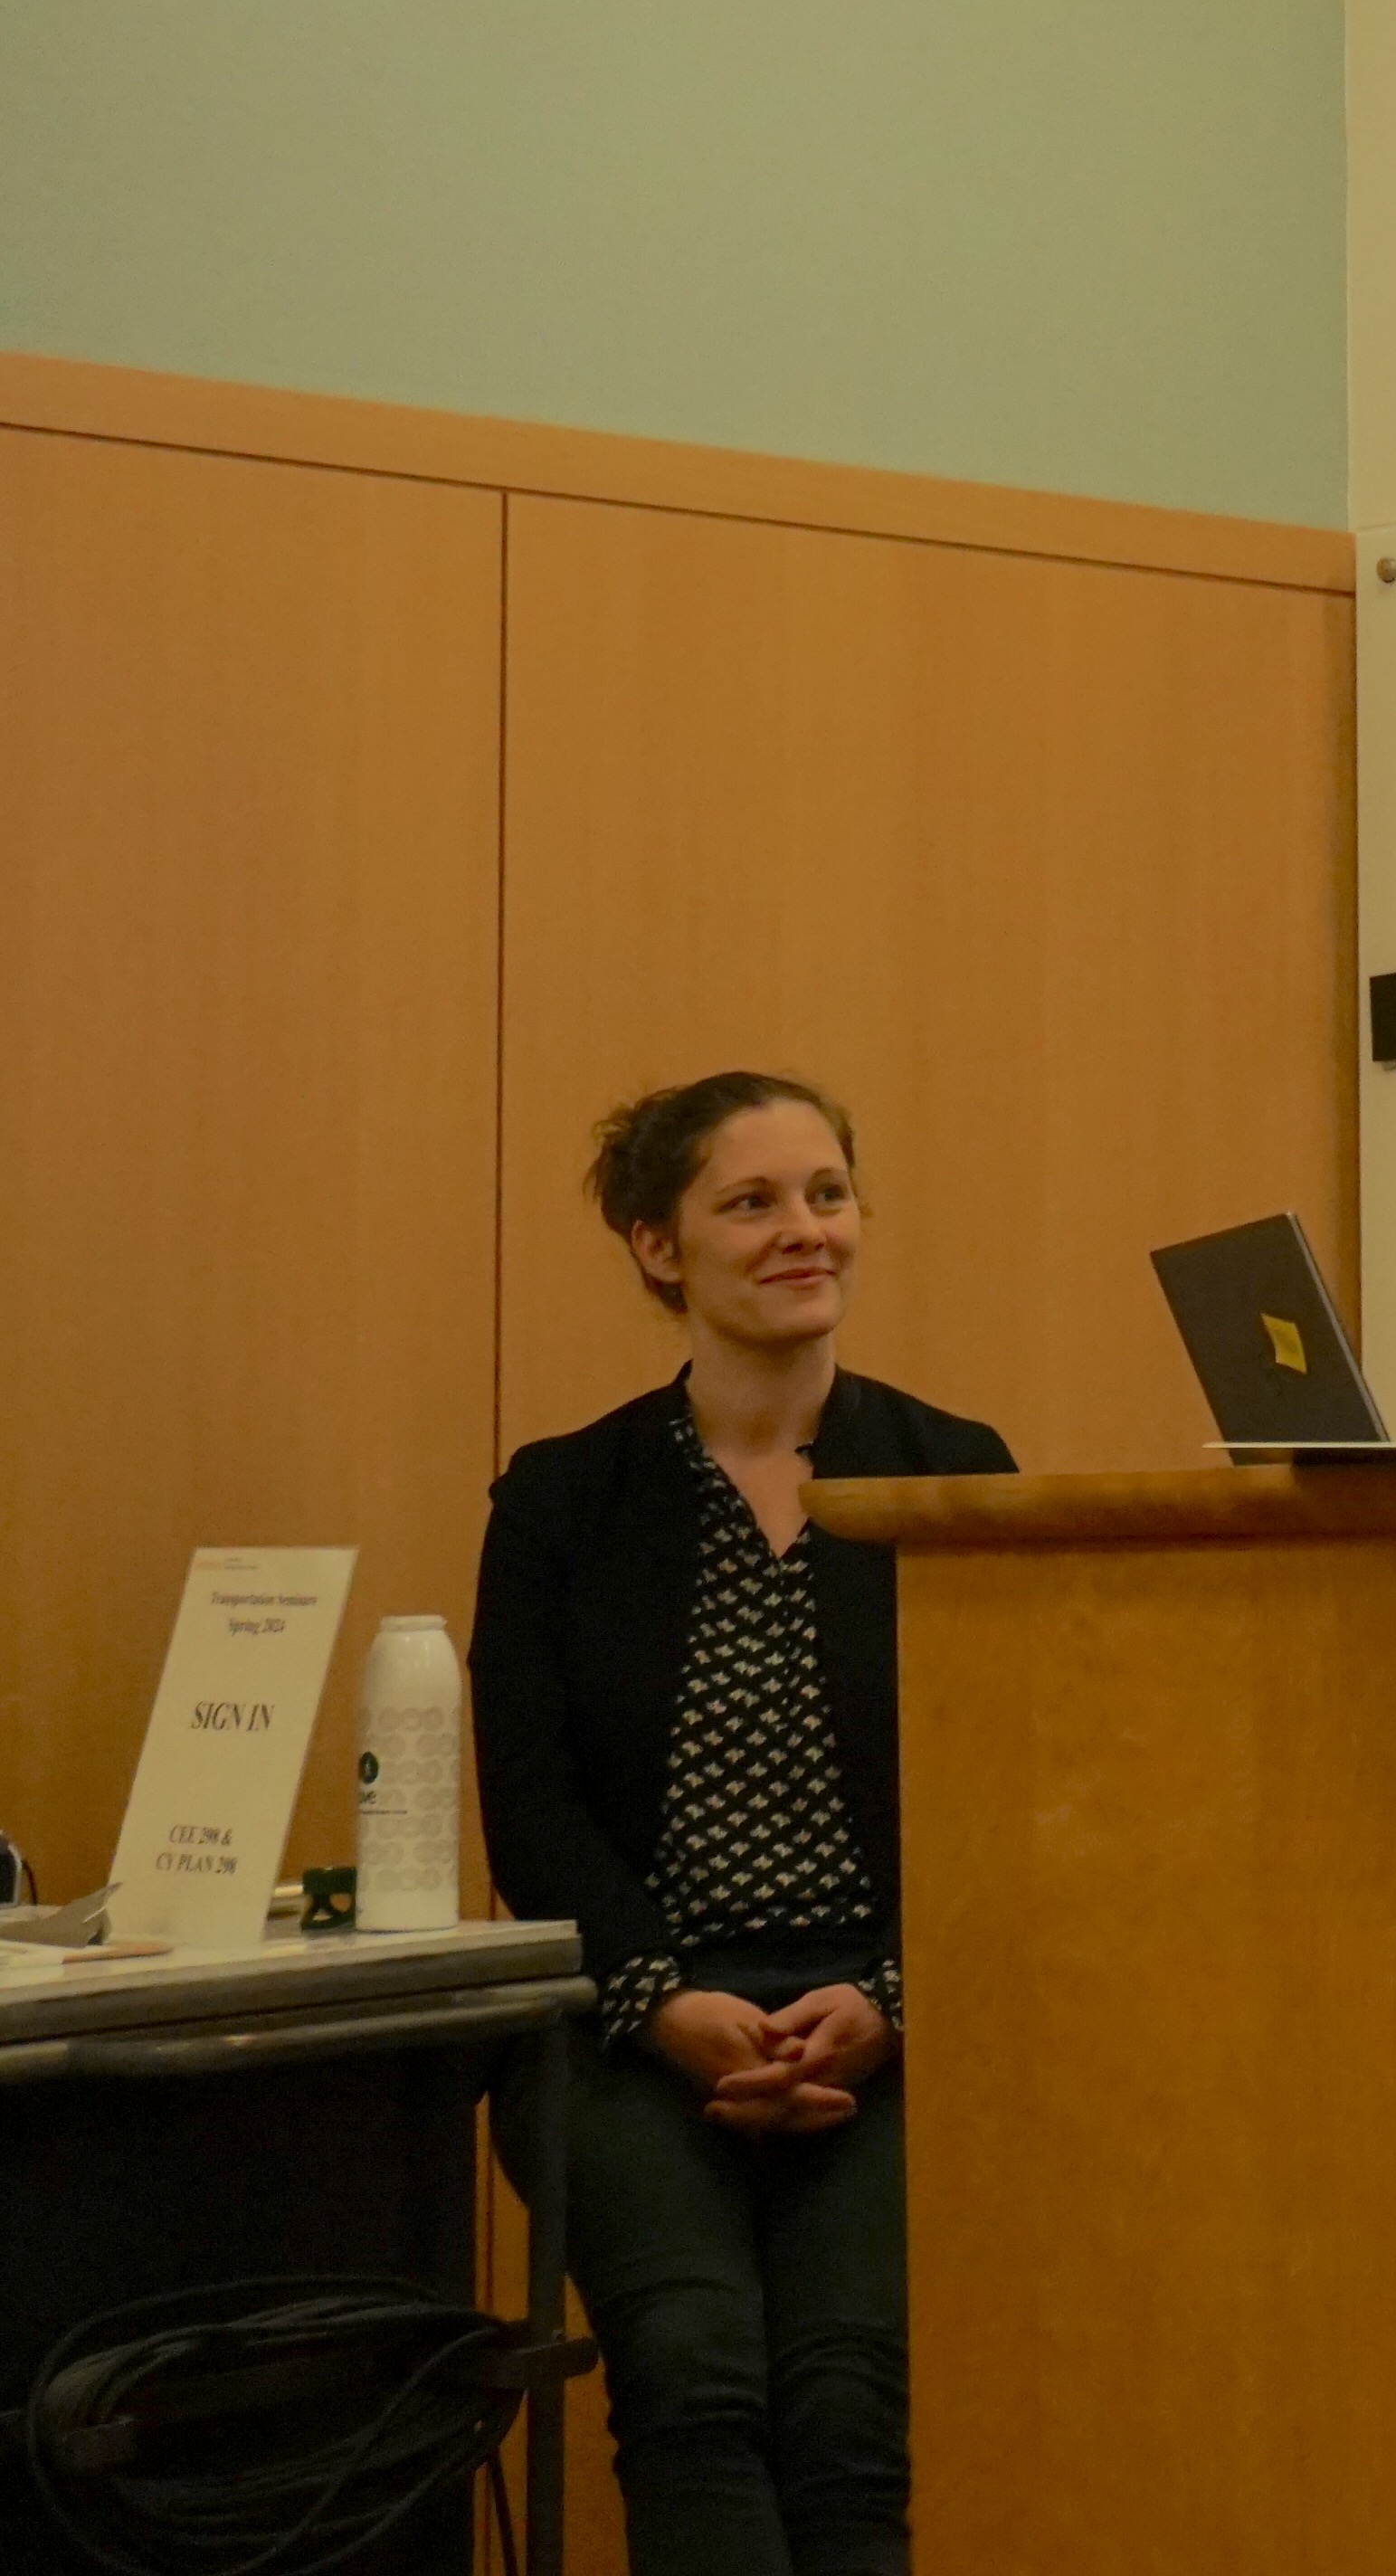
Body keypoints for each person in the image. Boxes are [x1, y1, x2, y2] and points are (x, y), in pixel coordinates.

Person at [472, 1074, 1013, 2576]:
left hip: (896, 2019)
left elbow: (1018, 1798)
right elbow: (535, 1810)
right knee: (696, 2380)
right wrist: (670, 2006)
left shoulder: (958, 1473)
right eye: (753, 1202)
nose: (804, 1232)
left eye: (827, 1194)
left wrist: (892, 1999)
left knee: (850, 2411)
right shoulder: (562, 1499)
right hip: (636, 2018)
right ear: (659, 1248)